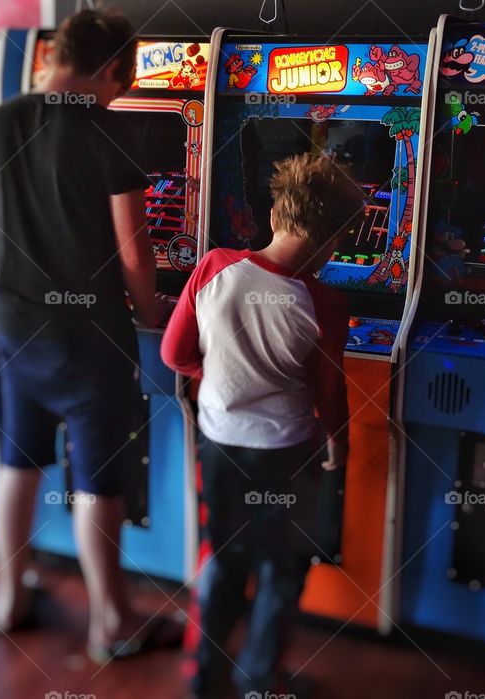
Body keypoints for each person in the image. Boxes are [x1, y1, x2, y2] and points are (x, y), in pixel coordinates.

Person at [0, 9, 175, 659]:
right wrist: (149, 312)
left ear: (54, 55)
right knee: (99, 478)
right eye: (122, 82)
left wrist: (18, 269)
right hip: (91, 337)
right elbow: (134, 253)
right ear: (113, 70)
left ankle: (8, 602)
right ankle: (111, 623)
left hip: (16, 325)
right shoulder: (107, 130)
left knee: (17, 463)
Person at [160, 153, 364, 698]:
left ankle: (205, 677)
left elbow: (174, 353)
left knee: (224, 559)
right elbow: (329, 392)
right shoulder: (326, 303)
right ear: (335, 241)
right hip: (286, 455)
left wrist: (220, 375)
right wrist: (339, 443)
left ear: (274, 214)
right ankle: (259, 680)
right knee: (282, 567)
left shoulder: (213, 267)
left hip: (219, 446)